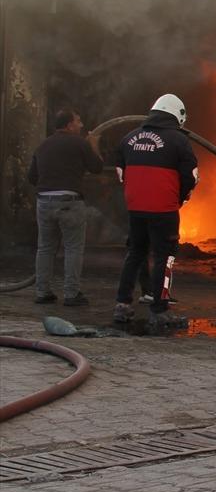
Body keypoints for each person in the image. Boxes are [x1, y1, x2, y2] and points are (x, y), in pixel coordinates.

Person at [113, 94, 198, 327]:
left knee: (135, 253)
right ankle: (160, 310)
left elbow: (120, 167)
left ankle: (122, 305)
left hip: (136, 208)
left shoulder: (129, 138)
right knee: (165, 257)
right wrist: (179, 198)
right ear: (177, 115)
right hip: (164, 209)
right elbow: (190, 177)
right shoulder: (179, 141)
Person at [27, 108, 104, 305]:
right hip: (70, 202)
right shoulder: (80, 143)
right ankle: (71, 294)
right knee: (73, 249)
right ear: (69, 125)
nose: (81, 125)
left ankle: (42, 292)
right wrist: (94, 144)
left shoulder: (43, 145)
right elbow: (97, 167)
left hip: (44, 202)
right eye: (78, 121)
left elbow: (32, 178)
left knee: (45, 248)